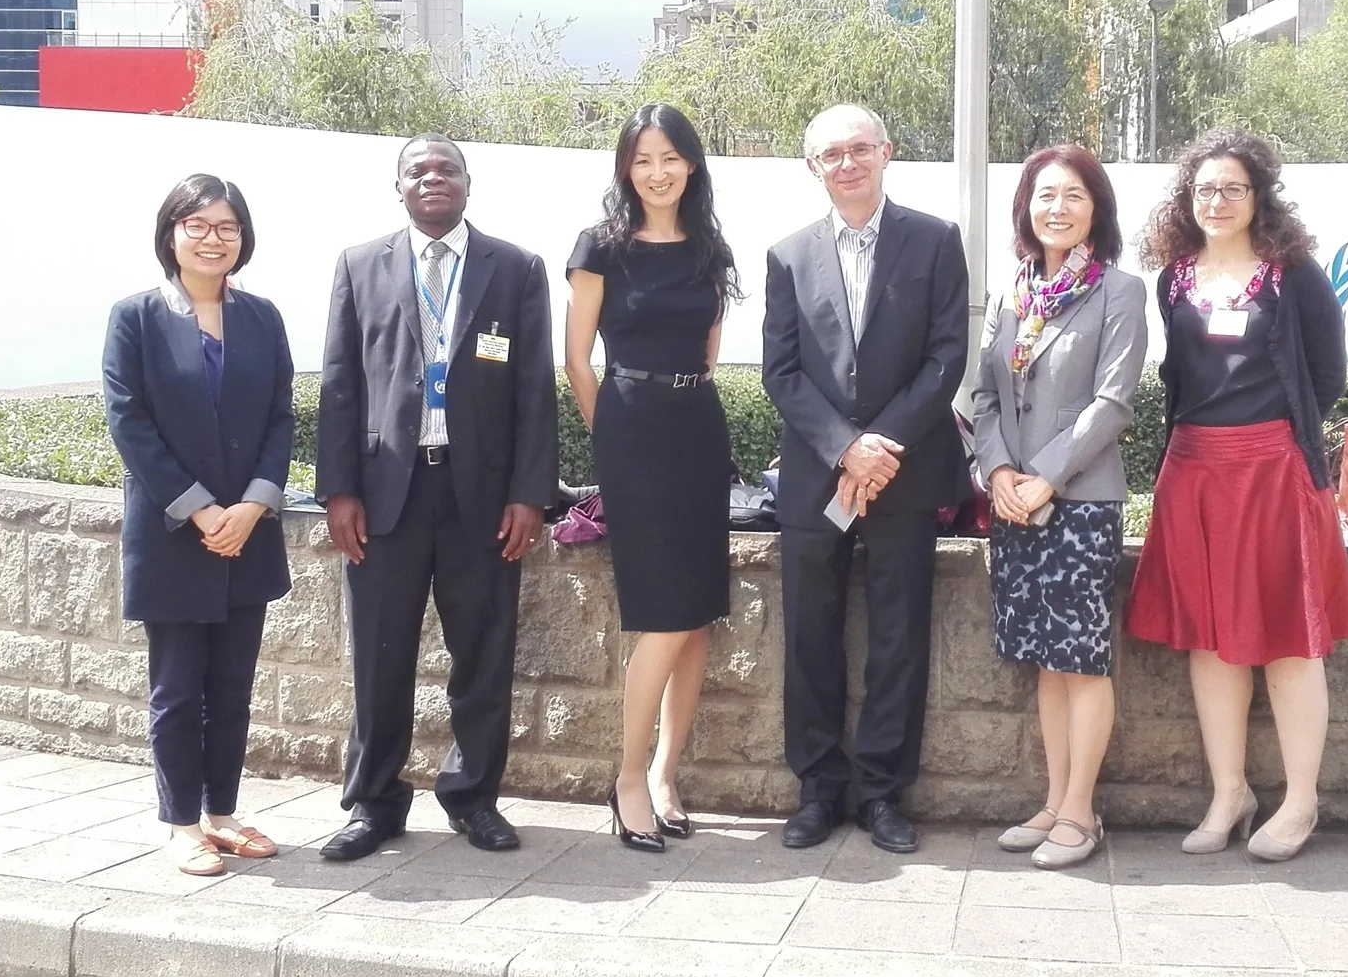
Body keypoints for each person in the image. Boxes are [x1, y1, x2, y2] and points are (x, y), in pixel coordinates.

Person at [314, 138, 557, 861]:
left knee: (483, 656)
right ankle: (374, 804)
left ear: (468, 183)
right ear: (398, 187)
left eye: (446, 168)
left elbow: (533, 390)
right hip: (386, 495)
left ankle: (473, 798)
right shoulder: (360, 265)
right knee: (378, 657)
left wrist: (529, 495)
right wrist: (339, 490)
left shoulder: (515, 268)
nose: (432, 179)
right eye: (416, 171)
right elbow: (339, 384)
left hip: (480, 498)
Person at [1126, 129, 1348, 863]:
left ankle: (1300, 801)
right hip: (1192, 471)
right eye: (1205, 190)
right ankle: (1229, 794)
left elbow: (1327, 375)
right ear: (1186, 200)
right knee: (1208, 637)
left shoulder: (1293, 274)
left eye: (1233, 188)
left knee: (1290, 638)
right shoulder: (1173, 279)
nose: (1217, 202)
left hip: (1274, 474)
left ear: (1259, 197)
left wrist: (1276, 441)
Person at [760, 104, 970, 855]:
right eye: (831, 154)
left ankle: (883, 792)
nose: (846, 163)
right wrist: (846, 448)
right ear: (811, 167)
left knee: (899, 636)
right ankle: (818, 790)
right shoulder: (787, 256)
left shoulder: (935, 240)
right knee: (809, 636)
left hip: (905, 474)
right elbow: (781, 371)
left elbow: (947, 356)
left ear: (887, 152)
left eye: (859, 149)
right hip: (818, 477)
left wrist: (882, 447)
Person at [102, 174, 296, 877]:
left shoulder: (263, 318)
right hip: (175, 538)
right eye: (199, 225)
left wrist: (254, 505)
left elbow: (281, 417)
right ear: (172, 233)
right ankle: (182, 824)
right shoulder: (136, 317)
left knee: (233, 690)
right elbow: (129, 423)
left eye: (228, 227)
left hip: (248, 533)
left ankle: (222, 815)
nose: (214, 239)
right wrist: (202, 509)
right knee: (179, 690)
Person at [563, 104, 741, 854]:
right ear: (625, 169)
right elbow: (576, 360)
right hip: (632, 432)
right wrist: (611, 435)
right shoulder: (600, 247)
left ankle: (667, 775)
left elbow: (708, 351)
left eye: (670, 157)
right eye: (642, 159)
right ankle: (628, 779)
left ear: (691, 164)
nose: (657, 172)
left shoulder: (708, 248)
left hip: (698, 426)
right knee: (663, 616)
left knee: (696, 616)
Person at [967, 145, 1146, 871]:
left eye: (1074, 195)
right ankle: (1052, 800)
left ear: (1096, 209)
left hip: (1080, 500)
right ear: (1026, 208)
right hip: (1014, 501)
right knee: (1045, 657)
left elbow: (1113, 403)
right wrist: (998, 470)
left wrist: (1044, 476)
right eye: (1045, 195)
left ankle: (1080, 811)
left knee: (1083, 658)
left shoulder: (1119, 292)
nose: (1058, 208)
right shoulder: (1010, 296)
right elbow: (984, 396)